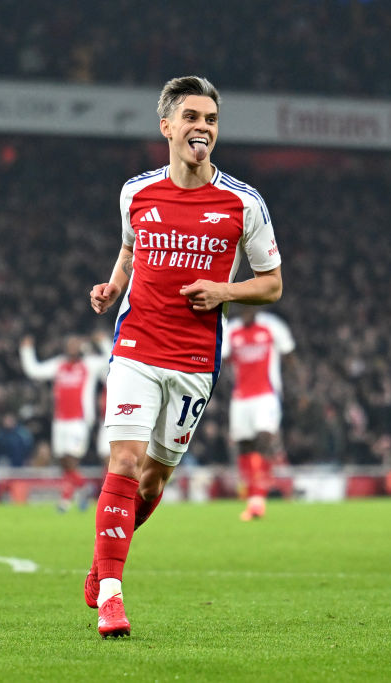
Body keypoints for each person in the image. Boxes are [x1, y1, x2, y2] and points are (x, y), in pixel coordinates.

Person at [85, 76, 283, 637]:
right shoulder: (135, 192)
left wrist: (225, 291)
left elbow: (271, 284)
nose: (203, 127)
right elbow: (129, 248)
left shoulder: (243, 203)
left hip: (196, 360)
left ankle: (104, 559)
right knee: (122, 461)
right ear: (167, 126)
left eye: (211, 119)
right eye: (192, 117)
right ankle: (112, 595)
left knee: (152, 482)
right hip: (136, 347)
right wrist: (111, 284)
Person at [20, 332, 110, 511]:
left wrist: (104, 342)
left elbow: (111, 360)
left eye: (75, 344)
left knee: (71, 460)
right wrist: (26, 349)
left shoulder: (88, 365)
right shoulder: (58, 364)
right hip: (60, 421)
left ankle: (66, 499)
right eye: (69, 344)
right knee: (63, 462)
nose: (72, 347)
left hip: (79, 421)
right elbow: (34, 371)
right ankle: (83, 488)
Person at [222, 306, 295, 520]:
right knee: (245, 446)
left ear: (257, 308)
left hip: (266, 395)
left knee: (264, 439)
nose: (245, 312)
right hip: (241, 398)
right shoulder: (231, 330)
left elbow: (289, 355)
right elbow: (223, 358)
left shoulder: (272, 326)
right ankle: (252, 496)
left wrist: (298, 390)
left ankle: (258, 499)